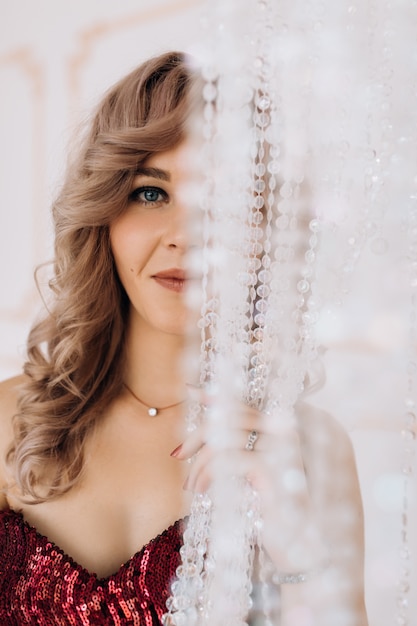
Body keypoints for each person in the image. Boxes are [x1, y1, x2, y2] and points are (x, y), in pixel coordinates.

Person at [0, 51, 368, 625]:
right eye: (151, 193)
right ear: (105, 214)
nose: (184, 237)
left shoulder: (309, 449)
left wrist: (299, 551)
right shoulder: (8, 420)